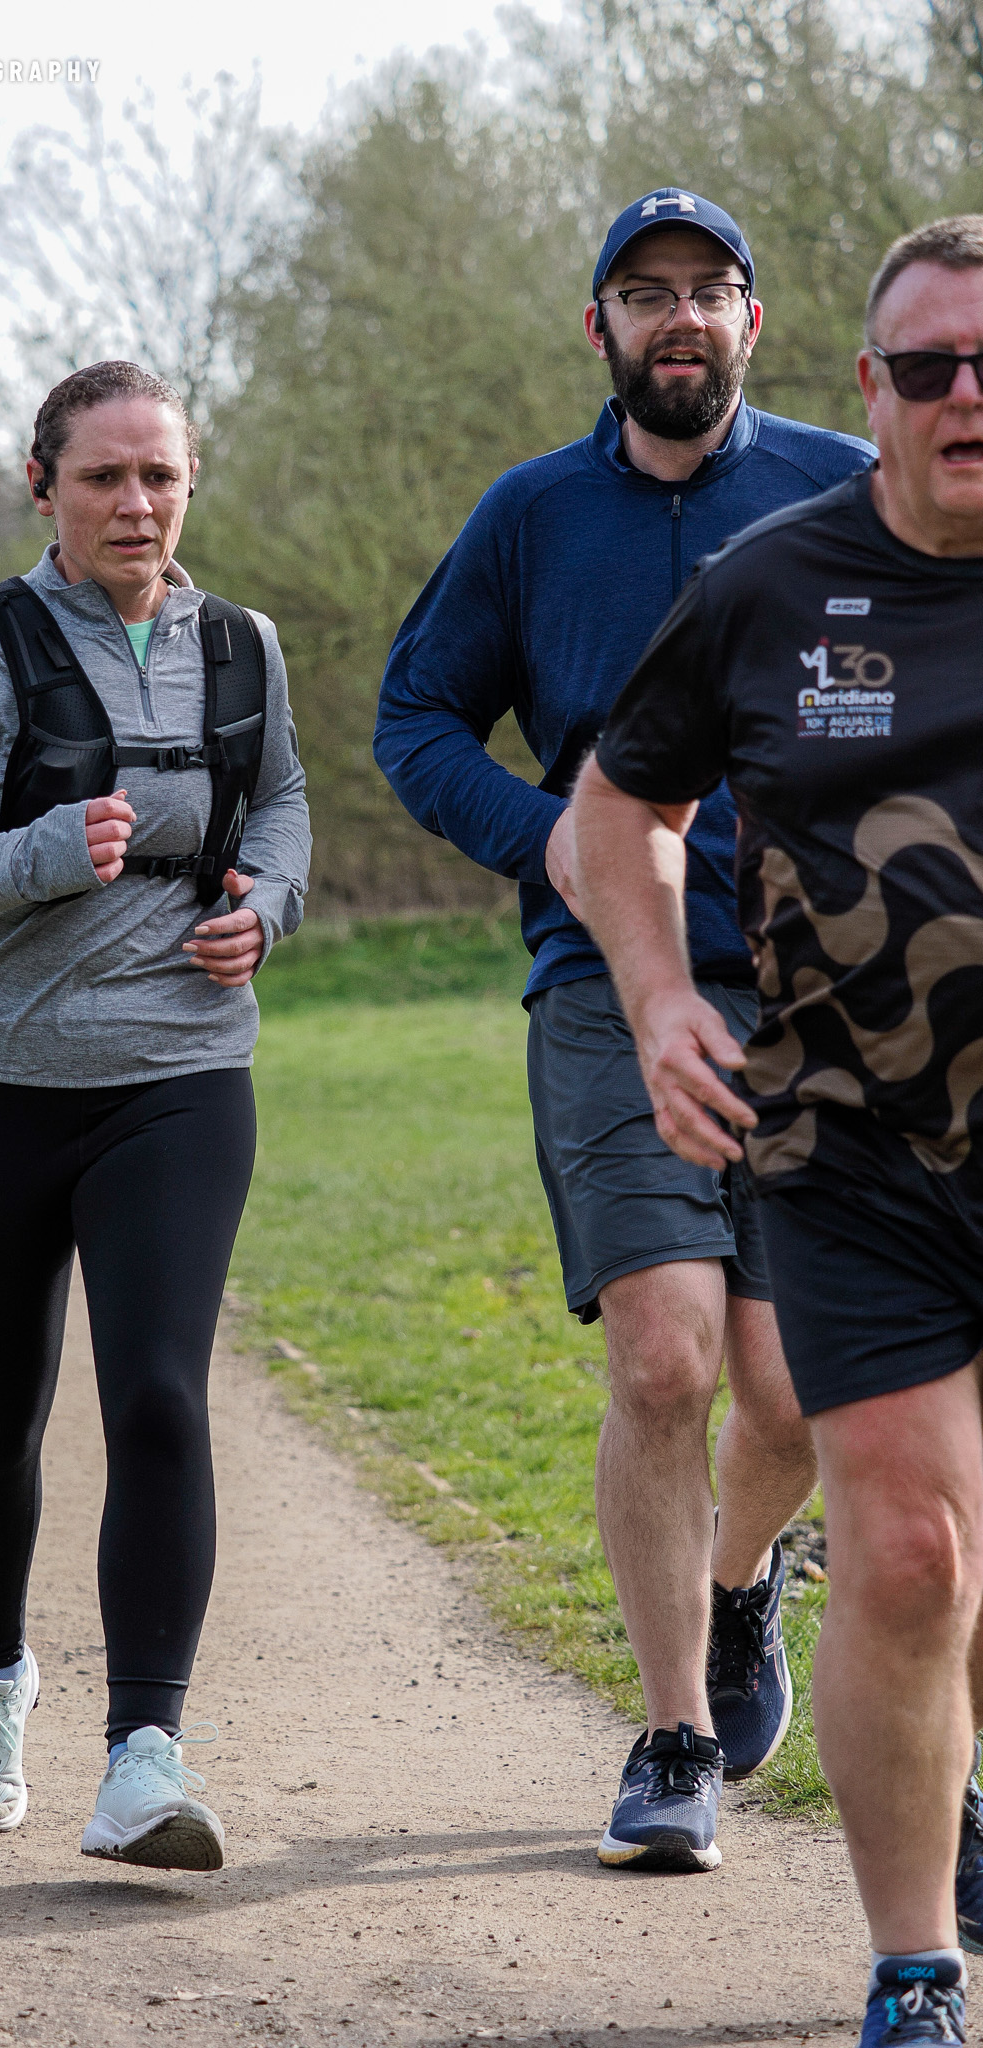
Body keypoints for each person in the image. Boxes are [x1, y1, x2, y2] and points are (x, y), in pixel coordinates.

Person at [374, 188, 876, 1872]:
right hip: (606, 982)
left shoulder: (840, 491)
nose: (679, 317)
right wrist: (553, 846)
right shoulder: (530, 518)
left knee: (790, 1392)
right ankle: (672, 1738)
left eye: (708, 290)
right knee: (664, 1356)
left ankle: (739, 1586)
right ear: (598, 326)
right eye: (645, 292)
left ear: (754, 322)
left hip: (823, 992)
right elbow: (416, 713)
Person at [573, 214, 983, 2046]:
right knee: (911, 1552)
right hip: (851, 1149)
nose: (966, 395)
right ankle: (915, 1969)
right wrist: (662, 996)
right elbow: (614, 816)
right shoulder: (770, 585)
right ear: (869, 387)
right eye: (930, 366)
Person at [0, 359, 310, 1869]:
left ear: (191, 483)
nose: (135, 503)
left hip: (178, 1076)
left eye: (159, 474)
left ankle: (143, 1759)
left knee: (161, 1394)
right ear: (42, 485)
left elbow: (282, 802)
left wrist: (268, 902)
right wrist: (43, 849)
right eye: (103, 475)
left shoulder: (240, 644)